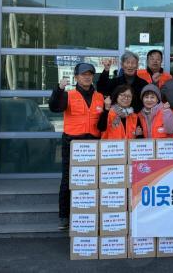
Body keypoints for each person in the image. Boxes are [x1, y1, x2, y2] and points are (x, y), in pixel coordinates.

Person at [48, 62, 104, 230]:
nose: (87, 77)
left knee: (94, 179)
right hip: (72, 142)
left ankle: (92, 214)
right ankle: (64, 216)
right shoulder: (68, 95)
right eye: (83, 74)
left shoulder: (100, 97)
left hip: (94, 142)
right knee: (68, 179)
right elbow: (54, 107)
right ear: (76, 77)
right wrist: (59, 89)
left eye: (90, 74)